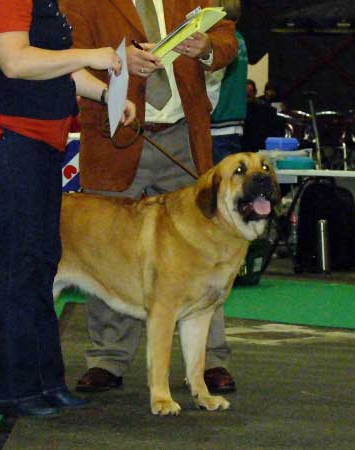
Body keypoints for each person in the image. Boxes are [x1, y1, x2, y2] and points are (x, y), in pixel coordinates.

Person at [0, 0, 135, 418]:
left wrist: (105, 90)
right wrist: (89, 55)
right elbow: (16, 61)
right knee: (22, 260)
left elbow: (55, 65)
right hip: (8, 135)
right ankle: (14, 388)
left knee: (43, 260)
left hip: (40, 139)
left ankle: (46, 381)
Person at [60, 0, 238, 395]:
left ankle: (210, 361)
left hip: (182, 137)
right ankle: (108, 358)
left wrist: (206, 45)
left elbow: (228, 40)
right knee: (105, 248)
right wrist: (118, 65)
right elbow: (66, 57)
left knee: (206, 252)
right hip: (115, 136)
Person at [206, 0, 248, 163]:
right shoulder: (239, 39)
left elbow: (212, 84)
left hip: (217, 123)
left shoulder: (220, 44)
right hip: (234, 121)